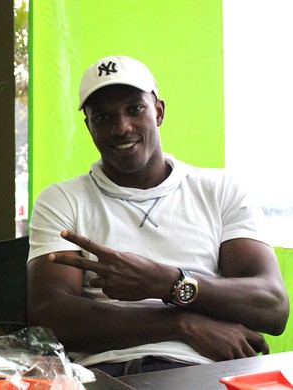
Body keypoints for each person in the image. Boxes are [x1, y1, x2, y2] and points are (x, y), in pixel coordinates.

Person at [26, 55, 289, 377]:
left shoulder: (219, 189)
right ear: (89, 127)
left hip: (205, 373)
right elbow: (50, 316)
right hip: (106, 375)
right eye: (104, 117)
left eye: (134, 109)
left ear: (159, 111)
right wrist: (182, 323)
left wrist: (165, 281)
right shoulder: (63, 199)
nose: (121, 127)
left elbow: (272, 307)